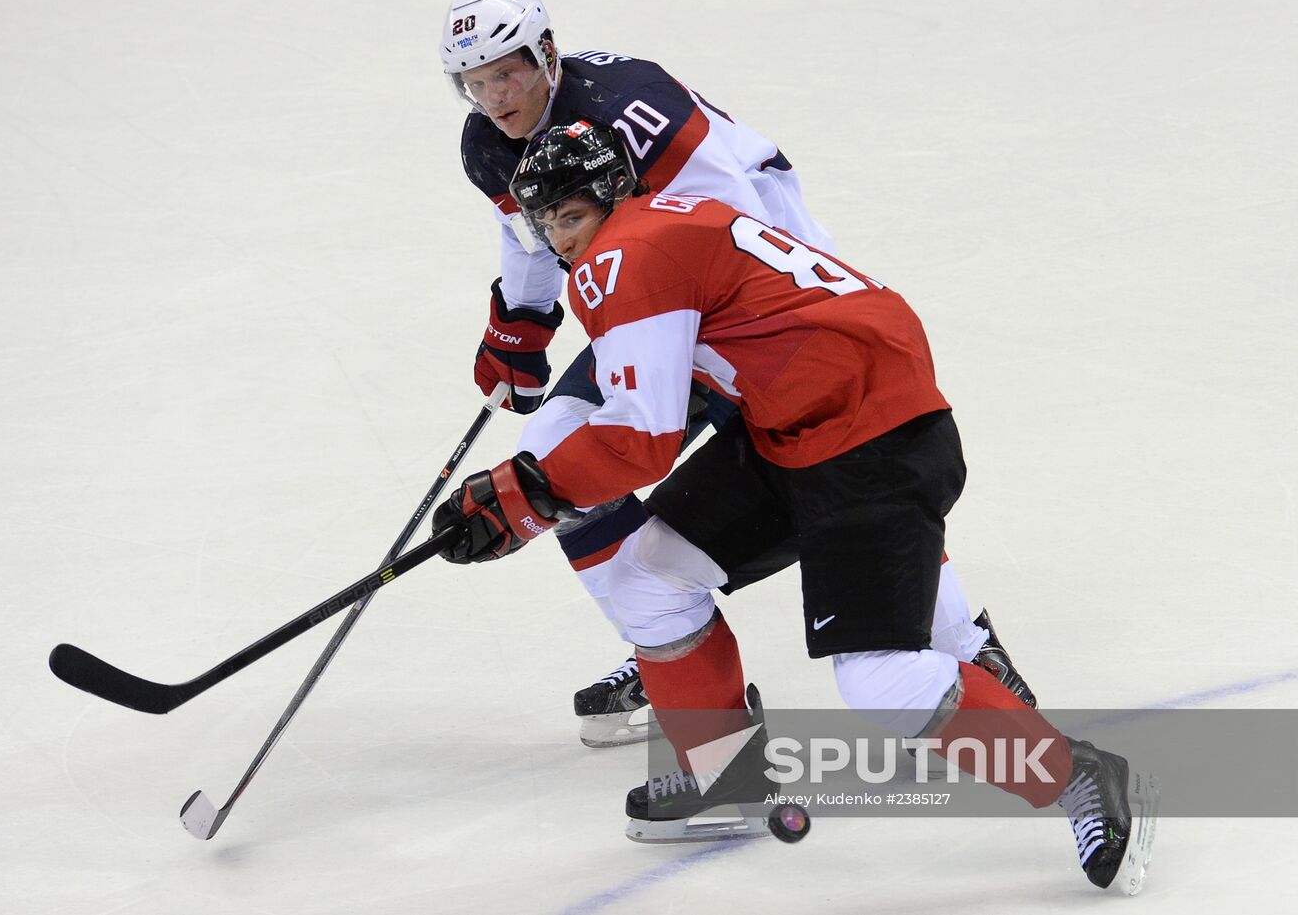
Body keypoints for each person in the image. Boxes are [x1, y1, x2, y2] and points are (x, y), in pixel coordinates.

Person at [430, 120, 1159, 894]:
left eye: (569, 216)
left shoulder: (624, 255)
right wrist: (530, 489)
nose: (562, 241)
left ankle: (1083, 776)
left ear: (613, 194)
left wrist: (524, 494)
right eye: (546, 226)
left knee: (879, 681)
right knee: (647, 575)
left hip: (869, 436)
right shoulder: (674, 220)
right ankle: (728, 772)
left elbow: (643, 439)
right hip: (801, 421)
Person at [439, 0, 1034, 747]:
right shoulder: (489, 144)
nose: (493, 97)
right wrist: (518, 324)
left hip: (749, 301)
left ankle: (962, 641)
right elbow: (531, 233)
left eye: (506, 72)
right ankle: (660, 635)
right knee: (555, 447)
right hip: (655, 293)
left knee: (834, 462)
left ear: (546, 52)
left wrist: (715, 344)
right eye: (474, 83)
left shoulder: (631, 104)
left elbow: (723, 222)